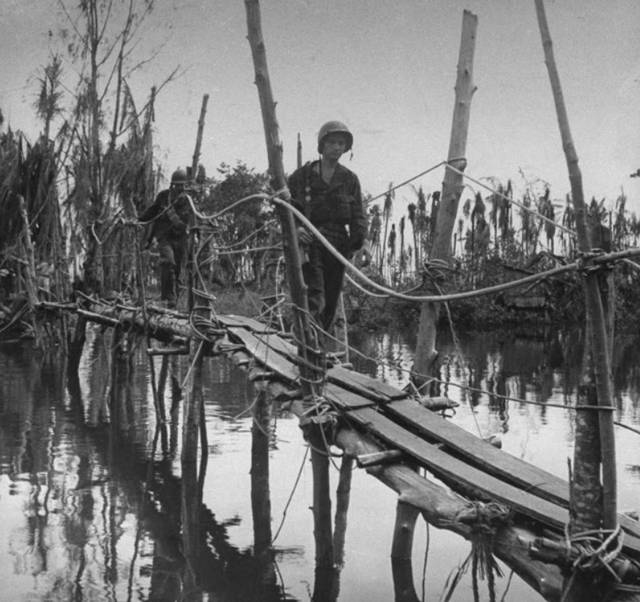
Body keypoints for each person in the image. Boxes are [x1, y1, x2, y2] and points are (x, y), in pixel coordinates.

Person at [288, 120, 371, 332]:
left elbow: (358, 217)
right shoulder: (301, 177)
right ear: (322, 145)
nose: (337, 147)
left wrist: (358, 246)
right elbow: (287, 210)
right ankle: (309, 347)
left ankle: (321, 342)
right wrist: (297, 229)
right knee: (315, 294)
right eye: (332, 142)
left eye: (341, 143)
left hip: (337, 244)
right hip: (310, 241)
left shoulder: (350, 179)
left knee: (332, 298)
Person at [139, 168, 193, 307]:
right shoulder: (164, 196)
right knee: (168, 263)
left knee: (178, 271)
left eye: (182, 185)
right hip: (165, 238)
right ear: (172, 185)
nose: (180, 188)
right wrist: (139, 220)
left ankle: (173, 302)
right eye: (177, 185)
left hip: (181, 239)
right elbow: (152, 212)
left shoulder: (189, 201)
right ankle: (167, 299)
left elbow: (188, 223)